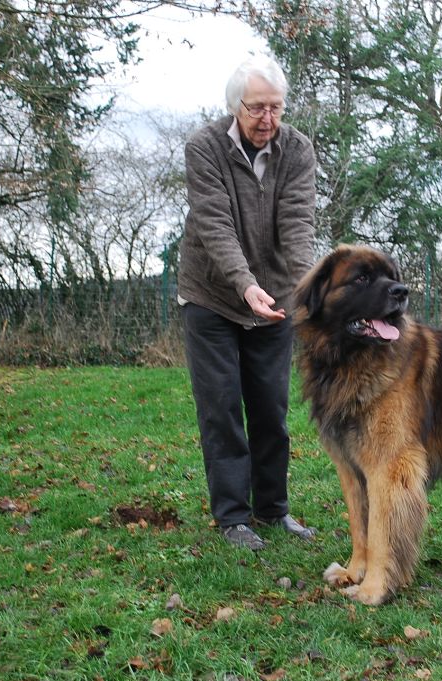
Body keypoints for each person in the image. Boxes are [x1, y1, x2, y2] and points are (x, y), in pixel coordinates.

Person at [177, 54, 317, 550]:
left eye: (276, 108)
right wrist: (244, 284)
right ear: (236, 105)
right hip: (212, 296)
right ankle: (233, 518)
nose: (268, 120)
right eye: (257, 108)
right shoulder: (205, 148)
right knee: (220, 409)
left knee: (270, 410)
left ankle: (274, 510)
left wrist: (303, 288)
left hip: (274, 298)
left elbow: (297, 225)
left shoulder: (297, 150)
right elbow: (213, 223)